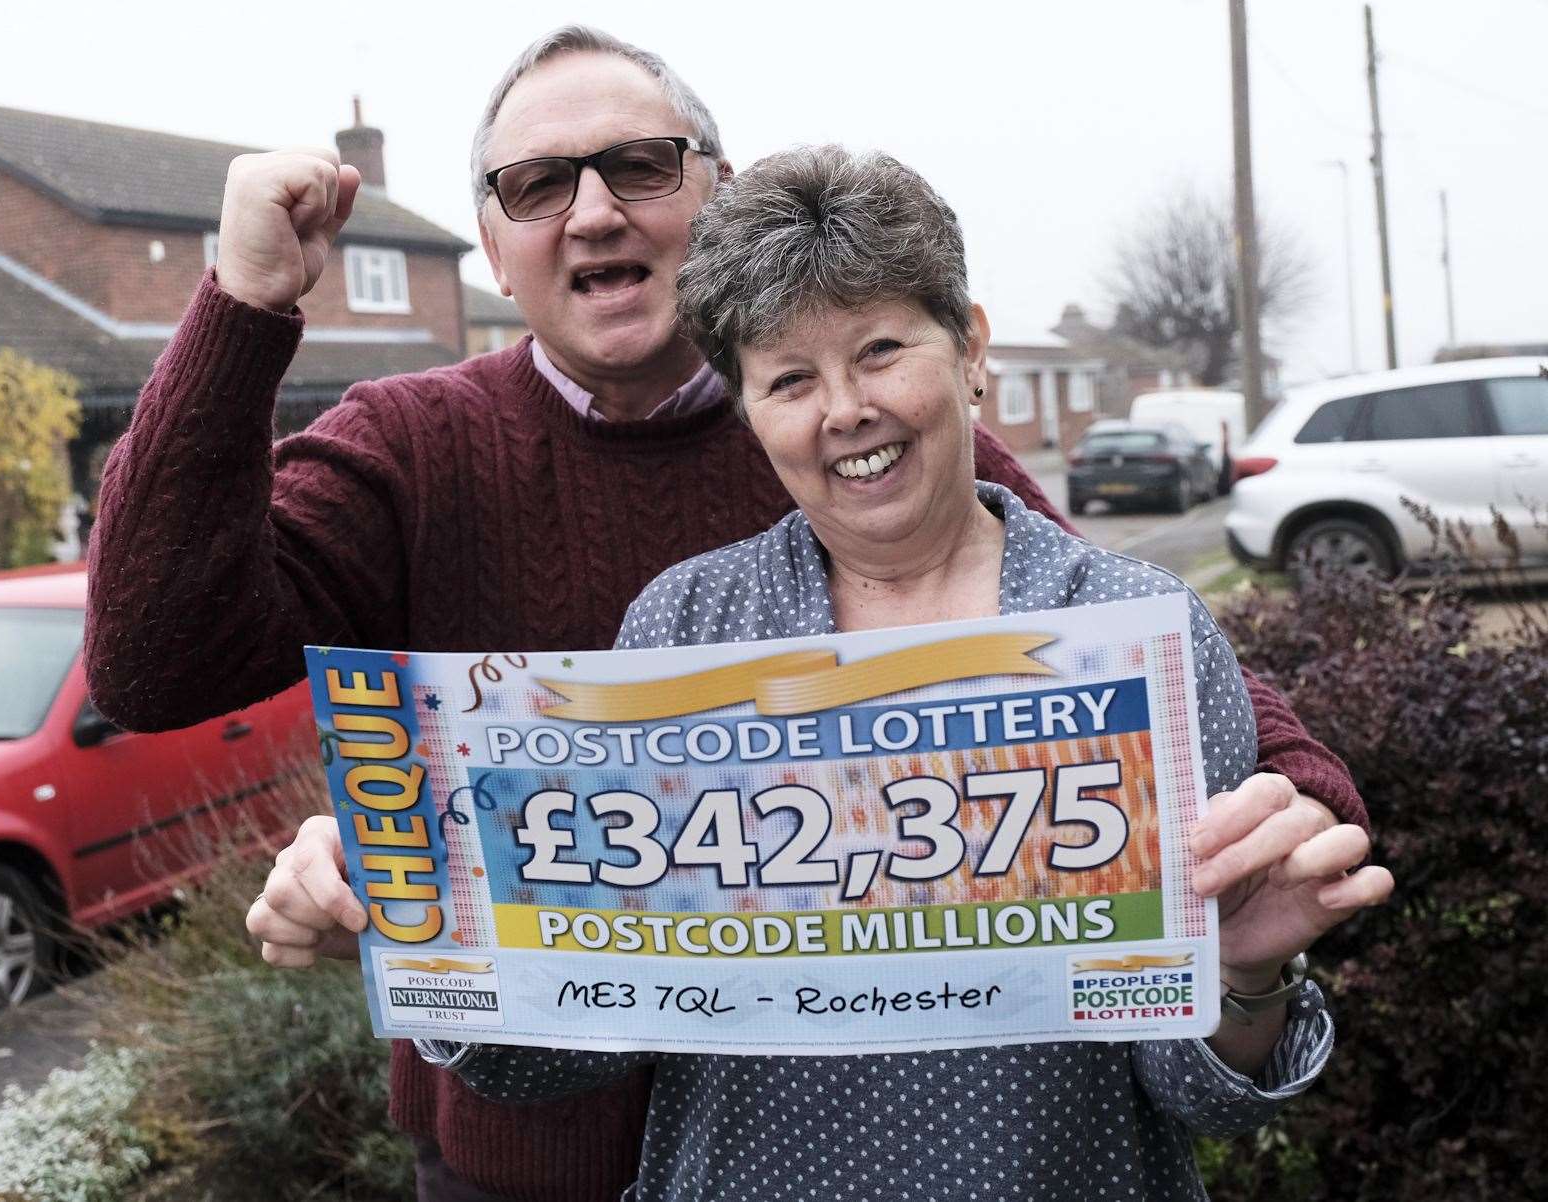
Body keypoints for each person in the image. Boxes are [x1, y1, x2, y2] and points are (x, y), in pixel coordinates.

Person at [85, 25, 1370, 1202]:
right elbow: (151, 656)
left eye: (638, 164)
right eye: (539, 185)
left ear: (718, 190)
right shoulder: (442, 467)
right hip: (547, 1157)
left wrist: (1280, 822)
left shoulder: (929, 480)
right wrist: (248, 302)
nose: (591, 211)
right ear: (494, 242)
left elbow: (1111, 643)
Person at [431, 144, 1395, 1201]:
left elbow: (1195, 1093)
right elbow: (571, 1050)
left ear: (971, 347)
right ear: (749, 411)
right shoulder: (684, 627)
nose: (844, 408)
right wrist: (432, 939)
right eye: (790, 378)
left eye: (881, 348)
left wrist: (1242, 975)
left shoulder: (1135, 629)